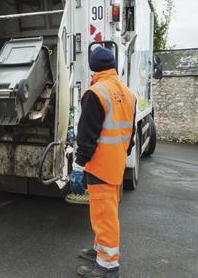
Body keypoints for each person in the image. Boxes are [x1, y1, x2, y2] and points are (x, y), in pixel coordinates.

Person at [71, 47, 137, 278]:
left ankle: (108, 266)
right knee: (105, 213)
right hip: (115, 163)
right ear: (113, 66)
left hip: (99, 165)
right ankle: (100, 250)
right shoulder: (128, 93)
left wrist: (79, 166)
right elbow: (131, 133)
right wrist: (120, 154)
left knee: (104, 217)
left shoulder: (95, 92)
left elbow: (87, 136)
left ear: (93, 67)